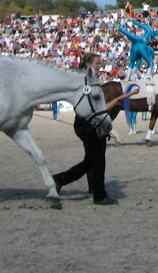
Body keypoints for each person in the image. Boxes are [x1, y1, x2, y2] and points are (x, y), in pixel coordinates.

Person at [53, 53, 133, 205]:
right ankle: (98, 194)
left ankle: (66, 181)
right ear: (88, 64)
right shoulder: (85, 82)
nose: (99, 66)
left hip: (88, 124)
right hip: (89, 125)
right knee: (97, 159)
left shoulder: (88, 80)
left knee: (92, 159)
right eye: (97, 63)